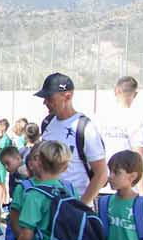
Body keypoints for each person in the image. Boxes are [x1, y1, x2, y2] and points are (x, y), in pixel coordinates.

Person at [31, 73, 108, 203]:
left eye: (49, 98)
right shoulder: (47, 123)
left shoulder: (85, 128)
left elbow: (101, 174)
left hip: (73, 203)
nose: (45, 102)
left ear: (67, 96)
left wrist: (81, 206)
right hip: (47, 202)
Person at [100, 151, 143, 240]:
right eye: (110, 171)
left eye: (117, 173)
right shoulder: (104, 203)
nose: (110, 176)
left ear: (132, 176)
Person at [100, 77, 143, 166]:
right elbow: (139, 153)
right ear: (135, 94)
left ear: (116, 91)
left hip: (102, 170)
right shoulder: (138, 119)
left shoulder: (102, 116)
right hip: (124, 171)